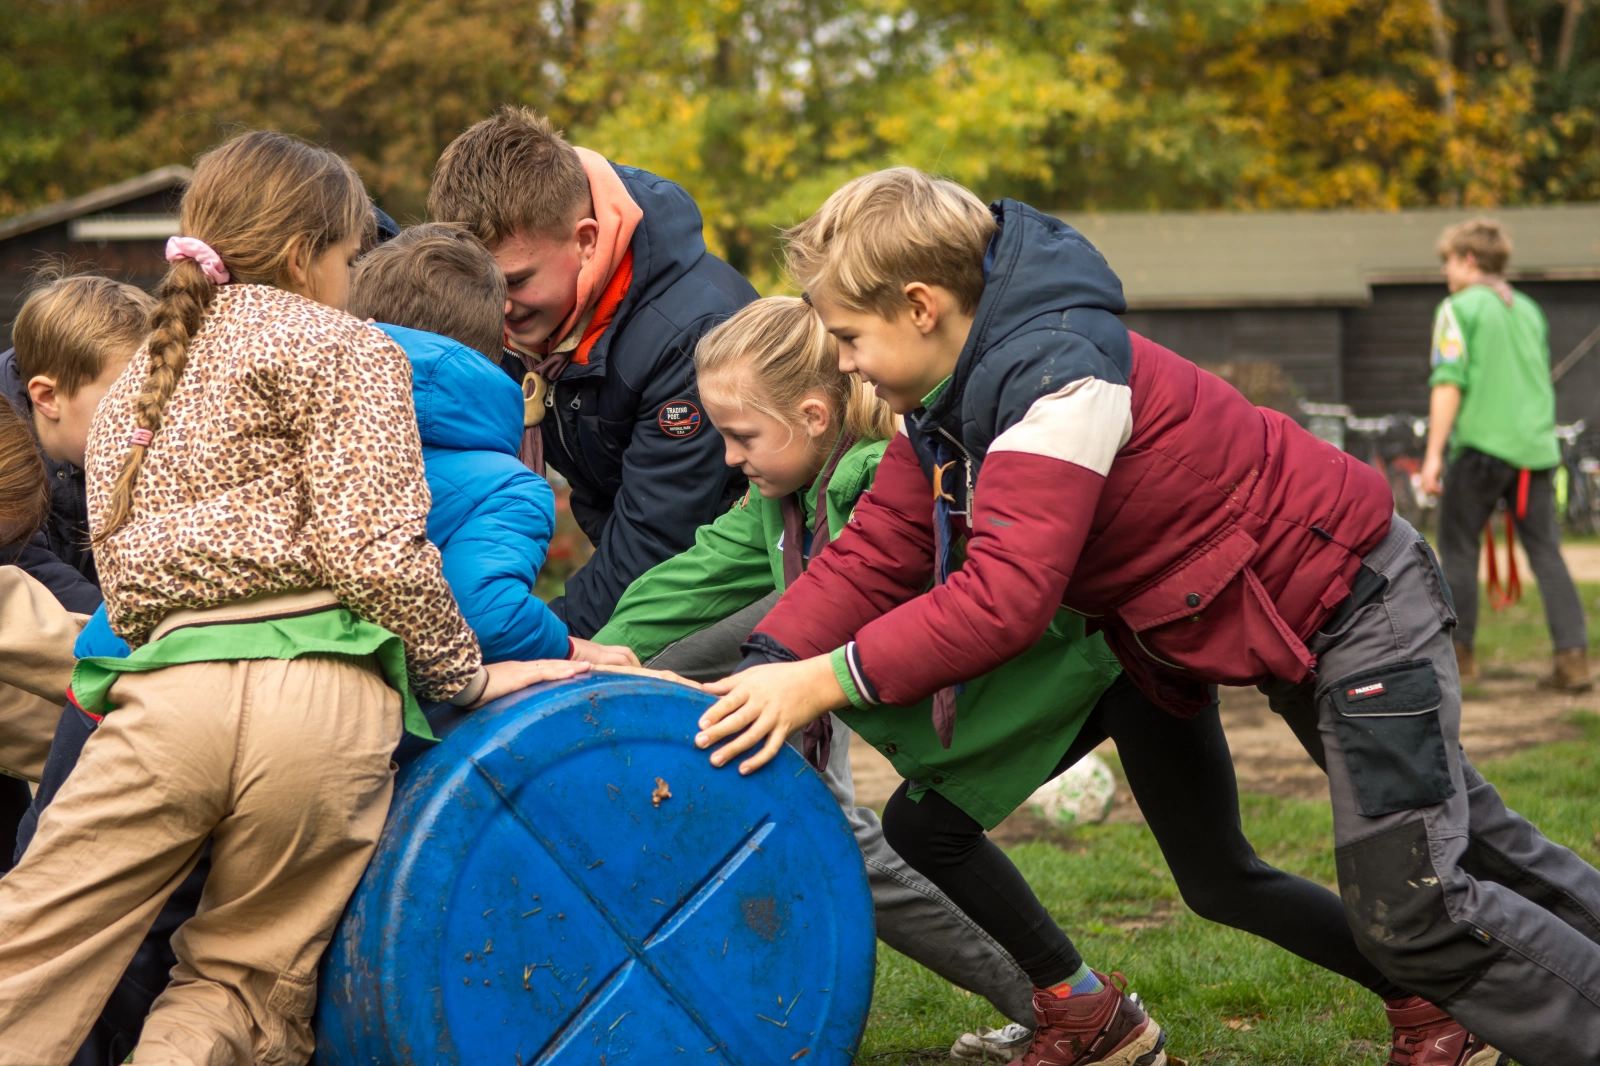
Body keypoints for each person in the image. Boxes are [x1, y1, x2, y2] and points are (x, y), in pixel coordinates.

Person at [694, 169, 1600, 1065]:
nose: (843, 360)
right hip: (1307, 634)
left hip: (1360, 613)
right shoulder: (953, 403)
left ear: (922, 306)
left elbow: (1005, 599)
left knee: (1418, 909)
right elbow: (881, 546)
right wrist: (766, 662)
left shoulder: (1057, 385)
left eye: (849, 335)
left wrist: (821, 679)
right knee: (1476, 847)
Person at [0, 129, 588, 1066]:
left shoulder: (149, 371)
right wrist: (462, 674)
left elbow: (123, 566)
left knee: (29, 952)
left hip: (167, 702)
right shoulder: (350, 348)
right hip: (321, 714)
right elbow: (378, 554)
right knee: (238, 982)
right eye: (353, 258)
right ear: (309, 255)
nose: (354, 280)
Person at [428, 106, 757, 638]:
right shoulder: (540, 317)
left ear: (586, 240)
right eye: (481, 284)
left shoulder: (690, 335)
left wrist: (539, 642)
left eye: (515, 281)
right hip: (639, 571)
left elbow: (659, 541)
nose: (498, 306)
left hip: (728, 582)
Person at [346, 221, 637, 667]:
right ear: (494, 339)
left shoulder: (307, 432)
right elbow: (487, 619)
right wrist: (572, 648)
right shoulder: (507, 490)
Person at [1418, 218, 1590, 692]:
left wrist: (1433, 455)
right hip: (1535, 451)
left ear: (1469, 261)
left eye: (1448, 262)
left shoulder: (1457, 308)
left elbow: (1449, 381)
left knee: (1457, 549)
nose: (1445, 273)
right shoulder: (1530, 310)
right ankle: (1573, 658)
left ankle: (1459, 657)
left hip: (1480, 447)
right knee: (1546, 552)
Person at [1, 271, 154, 614]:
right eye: (129, 404)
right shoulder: (6, 458)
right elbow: (25, 565)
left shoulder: (119, 447)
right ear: (48, 397)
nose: (151, 424)